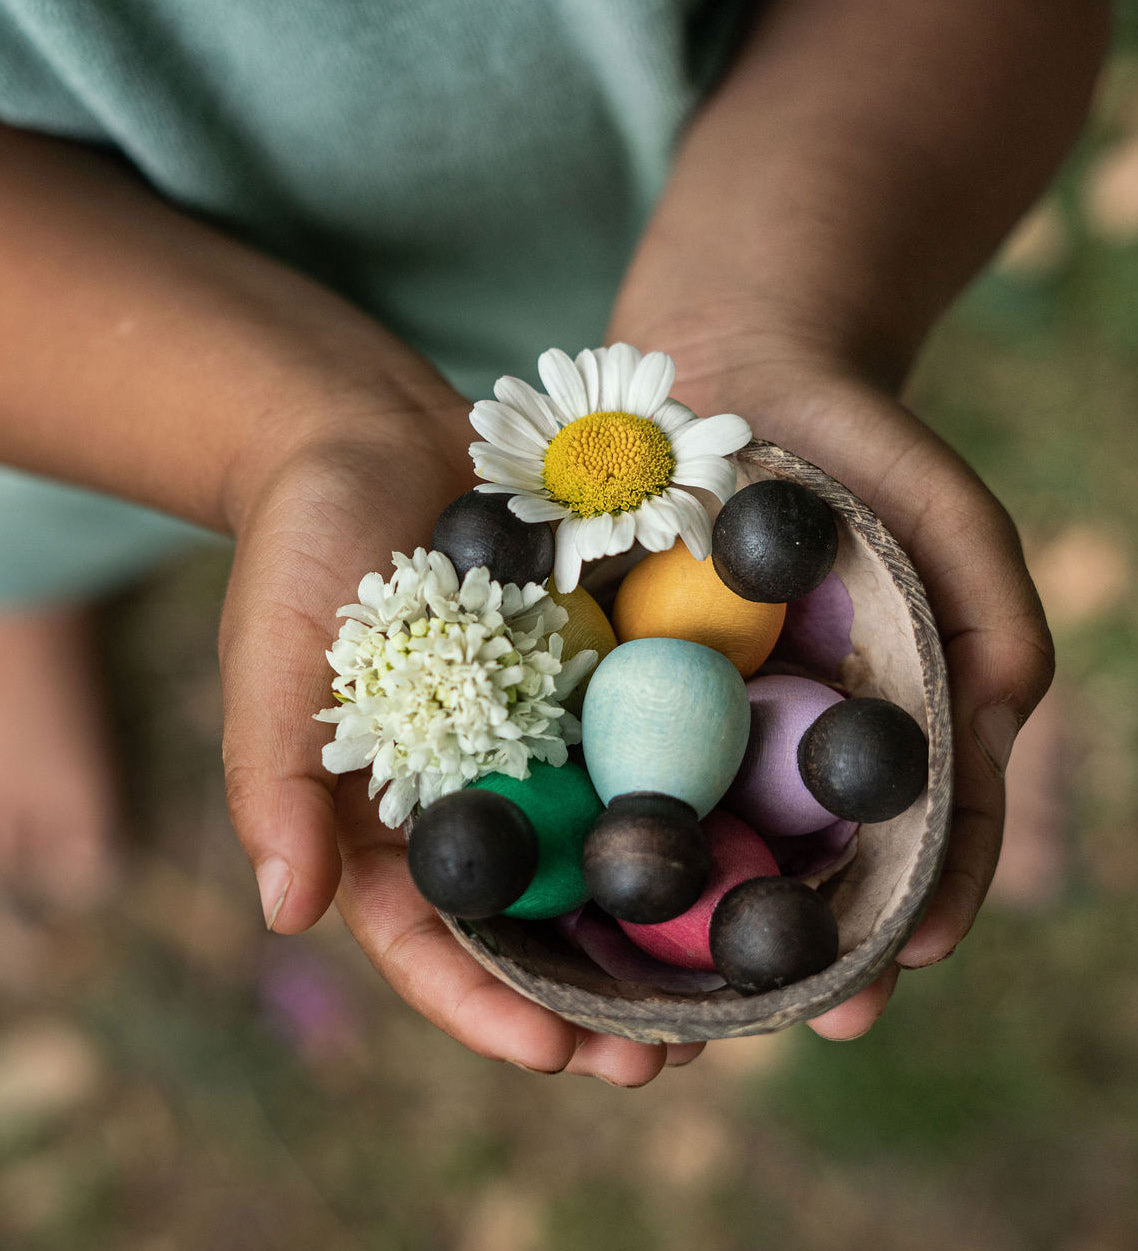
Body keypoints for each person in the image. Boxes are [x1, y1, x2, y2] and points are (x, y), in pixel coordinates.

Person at [0, 0, 1107, 1085]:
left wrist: (769, 316)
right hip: (95, 295)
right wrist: (290, 438)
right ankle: (36, 594)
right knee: (74, 487)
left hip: (702, 205)